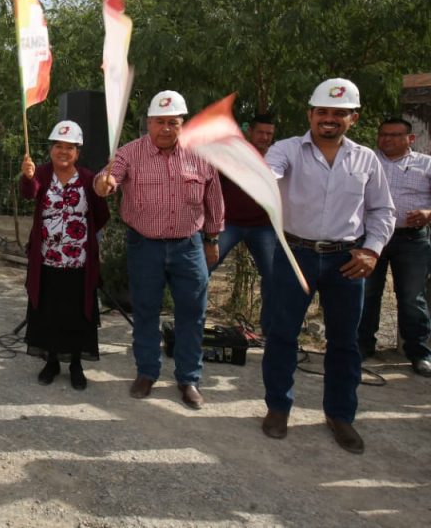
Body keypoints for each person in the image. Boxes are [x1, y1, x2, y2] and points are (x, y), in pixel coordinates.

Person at [260, 78, 395, 454]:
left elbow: (382, 210)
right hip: (294, 254)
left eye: (339, 113)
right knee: (282, 335)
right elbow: (268, 173)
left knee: (345, 341)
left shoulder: (366, 159)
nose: (329, 119)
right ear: (310, 114)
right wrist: (260, 179)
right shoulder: (286, 150)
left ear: (354, 118)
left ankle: (340, 415)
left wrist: (371, 251)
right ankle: (278, 407)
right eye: (322, 112)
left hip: (346, 259)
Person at [93, 90, 224, 410]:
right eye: (159, 122)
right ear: (149, 122)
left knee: (192, 313)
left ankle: (188, 378)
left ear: (182, 124)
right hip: (145, 245)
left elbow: (214, 199)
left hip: (189, 246)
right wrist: (103, 184)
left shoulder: (201, 155)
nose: (165, 128)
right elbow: (105, 180)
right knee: (146, 311)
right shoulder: (128, 153)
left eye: (172, 122)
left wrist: (212, 239)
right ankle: (147, 372)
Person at [20, 121, 110, 390]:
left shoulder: (87, 178)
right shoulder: (41, 173)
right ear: (51, 150)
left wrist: (80, 237)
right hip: (47, 260)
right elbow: (29, 193)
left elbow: (101, 214)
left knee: (76, 314)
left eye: (70, 147)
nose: (63, 152)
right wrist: (27, 177)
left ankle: (75, 365)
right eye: (58, 146)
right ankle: (51, 362)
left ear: (77, 152)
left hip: (78, 262)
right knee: (49, 312)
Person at [356, 118, 431, 376]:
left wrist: (428, 213)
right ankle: (362, 346)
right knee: (367, 293)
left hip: (411, 239)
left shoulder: (426, 164)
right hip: (371, 237)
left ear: (410, 138)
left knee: (411, 298)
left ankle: (419, 353)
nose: (386, 139)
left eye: (394, 135)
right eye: (383, 134)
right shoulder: (366, 161)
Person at [209, 113, 277, 331]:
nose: (264, 137)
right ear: (250, 132)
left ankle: (269, 330)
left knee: (274, 275)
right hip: (229, 222)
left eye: (269, 134)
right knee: (204, 266)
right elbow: (213, 184)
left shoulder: (278, 157)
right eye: (260, 132)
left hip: (263, 225)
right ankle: (192, 322)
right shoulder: (234, 153)